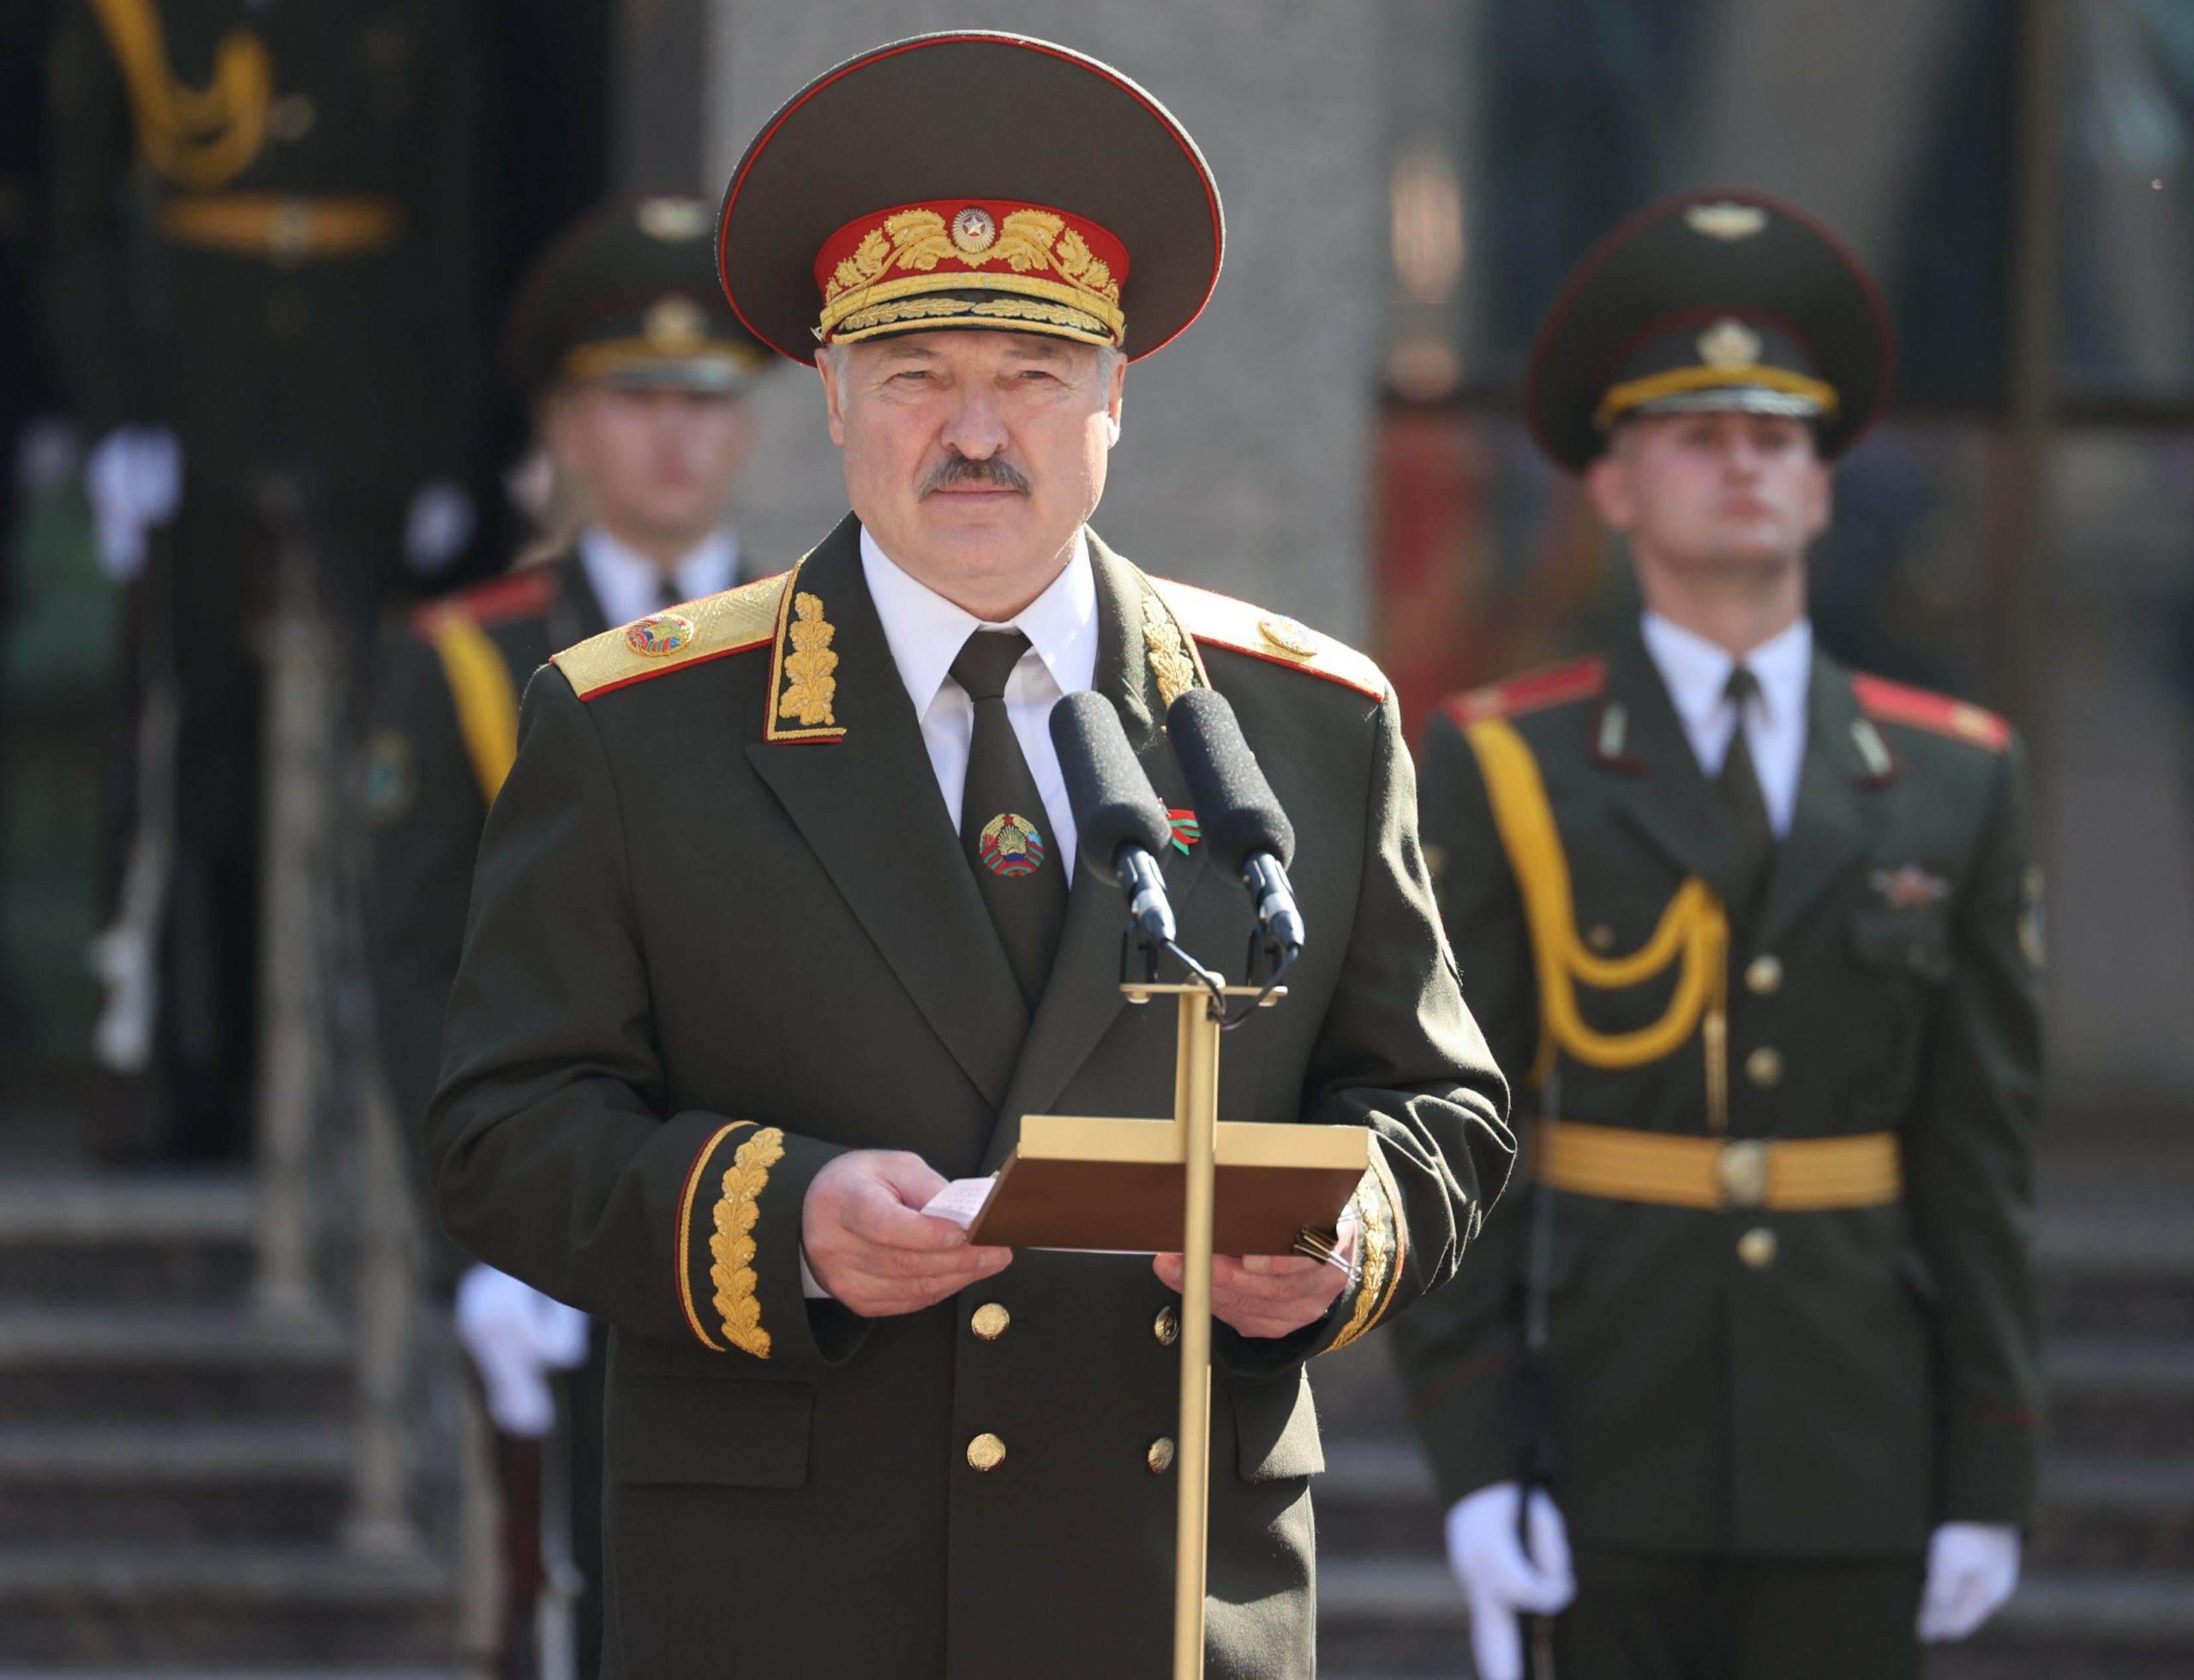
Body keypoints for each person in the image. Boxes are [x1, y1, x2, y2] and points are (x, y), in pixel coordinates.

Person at [423, 32, 1512, 1679]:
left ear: (1116, 399)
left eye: (1033, 373)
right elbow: (506, 1124)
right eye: (920, 370)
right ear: (837, 396)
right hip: (791, 1593)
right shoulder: (635, 727)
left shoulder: (1303, 725)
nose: (975, 430)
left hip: (1159, 1593)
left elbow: (1440, 1106)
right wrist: (777, 1217)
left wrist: (1343, 1242)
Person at [1389, 189, 2044, 1680]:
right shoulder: (1507, 764)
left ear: (1822, 487)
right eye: (1698, 436)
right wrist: (1477, 1454)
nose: (1745, 465)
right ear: (1612, 486)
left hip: (1858, 1449)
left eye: (1777, 438)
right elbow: (1458, 1132)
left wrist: (1991, 1464)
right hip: (1608, 1431)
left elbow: (1979, 1152)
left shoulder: (1956, 774)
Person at [361, 193, 772, 1677]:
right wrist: (472, 1240)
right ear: (566, 425)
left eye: (709, 401)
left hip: (776, 1198)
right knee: (571, 1605)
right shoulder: (471, 660)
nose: (678, 437)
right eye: (635, 398)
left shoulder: (819, 643)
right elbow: (413, 970)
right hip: (568, 1209)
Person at [44, 0, 483, 1156]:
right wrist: (114, 418)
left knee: (380, 749)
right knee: (193, 743)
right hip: (199, 403)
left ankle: (362, 1084)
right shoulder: (133, 19)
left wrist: (449, 444)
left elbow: (460, 220)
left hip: (367, 416)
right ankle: (194, 1064)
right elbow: (77, 224)